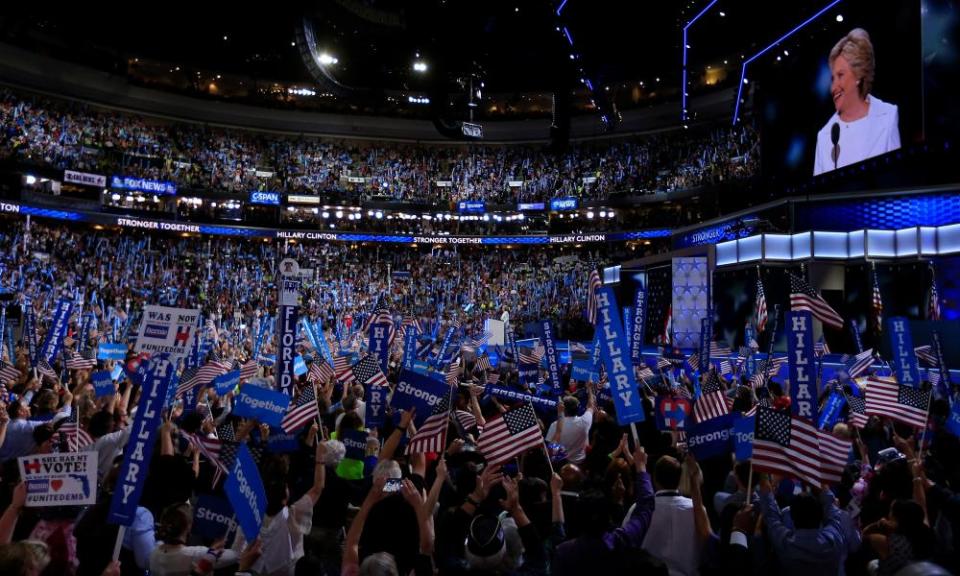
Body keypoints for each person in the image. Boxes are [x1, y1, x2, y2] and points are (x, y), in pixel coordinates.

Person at [813, 28, 900, 176]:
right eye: (833, 78)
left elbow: (898, 178)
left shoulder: (888, 116)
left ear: (858, 75)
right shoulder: (825, 136)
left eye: (840, 75)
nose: (833, 87)